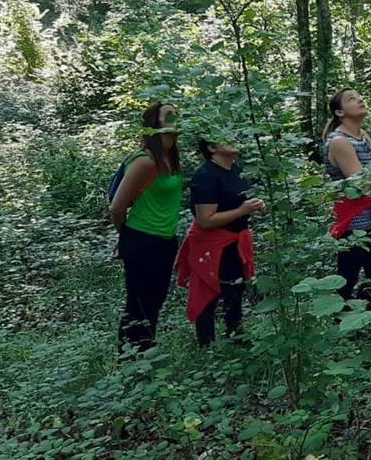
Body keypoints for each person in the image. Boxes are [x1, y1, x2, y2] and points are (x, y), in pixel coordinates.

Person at [109, 102, 184, 355]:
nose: (176, 117)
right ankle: (128, 358)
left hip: (166, 240)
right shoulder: (144, 161)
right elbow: (117, 207)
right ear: (155, 125)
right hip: (142, 239)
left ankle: (146, 351)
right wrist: (126, 238)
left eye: (178, 113)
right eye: (169, 115)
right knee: (138, 303)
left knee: (156, 300)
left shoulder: (170, 158)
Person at [176, 138, 264, 346]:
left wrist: (255, 205)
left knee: (235, 290)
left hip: (236, 240)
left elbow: (240, 201)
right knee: (208, 294)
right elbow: (205, 220)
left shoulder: (236, 169)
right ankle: (206, 347)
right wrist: (242, 211)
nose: (233, 140)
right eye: (224, 138)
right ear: (212, 148)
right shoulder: (206, 176)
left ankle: (237, 339)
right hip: (212, 243)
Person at [324, 88, 371, 305]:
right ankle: (341, 324)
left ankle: (363, 319)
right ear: (340, 112)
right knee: (347, 278)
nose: (360, 99)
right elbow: (361, 184)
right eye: (351, 99)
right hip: (352, 222)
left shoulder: (362, 136)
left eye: (359, 96)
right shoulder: (339, 141)